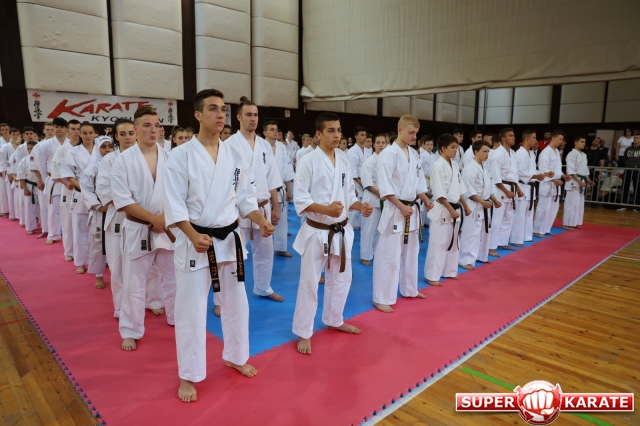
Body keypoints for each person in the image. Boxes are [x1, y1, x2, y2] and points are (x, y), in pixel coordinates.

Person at [164, 88, 274, 402]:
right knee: (192, 309)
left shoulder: (235, 155)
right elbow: (174, 203)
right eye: (213, 108)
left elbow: (245, 199)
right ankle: (189, 375)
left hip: (229, 240)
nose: (220, 114)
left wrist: (260, 220)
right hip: (196, 241)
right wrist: (190, 234)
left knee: (237, 303)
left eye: (223, 109)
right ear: (198, 115)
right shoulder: (181, 155)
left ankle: (236, 356)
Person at [292, 112, 371, 353]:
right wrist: (326, 209)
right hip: (317, 231)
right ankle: (303, 331)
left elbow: (349, 196)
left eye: (339, 130)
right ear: (318, 134)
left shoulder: (343, 160)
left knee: (342, 279)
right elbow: (300, 199)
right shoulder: (308, 161)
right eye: (331, 130)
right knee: (310, 282)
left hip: (341, 230)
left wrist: (359, 206)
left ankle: (334, 319)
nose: (337, 135)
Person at [111, 107, 177, 351]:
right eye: (147, 125)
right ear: (136, 129)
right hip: (139, 228)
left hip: (167, 226)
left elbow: (180, 194)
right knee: (134, 283)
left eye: (157, 125)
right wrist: (153, 219)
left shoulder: (170, 156)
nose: (153, 130)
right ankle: (130, 330)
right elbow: (122, 200)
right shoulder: (123, 160)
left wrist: (164, 219)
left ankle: (177, 317)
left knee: (174, 279)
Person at [225, 97, 284, 302]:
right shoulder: (228, 145)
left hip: (263, 207)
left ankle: (263, 288)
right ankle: (224, 298)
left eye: (256, 115)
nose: (253, 119)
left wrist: (276, 208)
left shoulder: (264, 146)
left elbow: (272, 179)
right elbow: (226, 182)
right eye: (248, 115)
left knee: (265, 253)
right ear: (239, 117)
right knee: (233, 256)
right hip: (238, 209)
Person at [372, 115, 433, 312]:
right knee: (389, 255)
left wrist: (424, 199)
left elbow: (418, 183)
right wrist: (400, 206)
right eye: (411, 133)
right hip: (395, 210)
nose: (415, 136)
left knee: (411, 253)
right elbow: (385, 187)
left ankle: (409, 289)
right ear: (399, 130)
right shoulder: (388, 154)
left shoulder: (414, 154)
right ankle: (381, 297)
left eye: (416, 133)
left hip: (411, 210)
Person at [96, 119, 136, 317]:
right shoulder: (109, 159)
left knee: (148, 263)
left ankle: (152, 299)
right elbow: (103, 188)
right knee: (117, 264)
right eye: (122, 134)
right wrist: (127, 199)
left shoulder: (146, 156)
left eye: (131, 133)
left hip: (144, 217)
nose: (127, 137)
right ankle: (120, 306)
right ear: (116, 137)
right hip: (119, 215)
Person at [424, 134, 471, 285]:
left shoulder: (454, 165)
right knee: (438, 243)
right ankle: (431, 275)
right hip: (443, 209)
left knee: (453, 242)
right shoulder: (438, 166)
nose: (456, 150)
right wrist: (451, 210)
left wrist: (466, 206)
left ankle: (449, 271)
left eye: (456, 147)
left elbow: (459, 188)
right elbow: (439, 193)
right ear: (443, 148)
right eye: (453, 147)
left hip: (454, 207)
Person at [459, 140, 501, 269]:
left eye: (488, 151)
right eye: (484, 151)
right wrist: (483, 202)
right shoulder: (470, 168)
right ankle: (465, 260)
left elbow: (488, 188)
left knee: (483, 232)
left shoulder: (484, 166)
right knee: (471, 233)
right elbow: (469, 191)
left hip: (484, 204)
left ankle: (481, 256)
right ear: (476, 152)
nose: (487, 154)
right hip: (473, 205)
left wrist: (495, 200)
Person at [60, 122, 96, 274]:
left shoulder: (101, 150)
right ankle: (81, 262)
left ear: (95, 134)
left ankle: (100, 260)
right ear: (80, 134)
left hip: (98, 194)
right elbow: (68, 174)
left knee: (97, 229)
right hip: (80, 193)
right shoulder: (73, 152)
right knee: (79, 229)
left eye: (90, 133)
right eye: (85, 133)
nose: (88, 135)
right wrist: (82, 186)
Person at [80, 136, 114, 288]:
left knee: (116, 243)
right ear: (97, 149)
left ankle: (116, 273)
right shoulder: (92, 168)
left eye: (110, 146)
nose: (107, 150)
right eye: (103, 147)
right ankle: (99, 275)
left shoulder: (119, 164)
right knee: (97, 244)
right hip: (100, 210)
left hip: (116, 209)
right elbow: (86, 190)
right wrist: (99, 206)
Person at [511, 130, 552, 246]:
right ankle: (516, 239)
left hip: (530, 188)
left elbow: (533, 171)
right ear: (527, 139)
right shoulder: (519, 153)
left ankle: (527, 236)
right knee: (519, 215)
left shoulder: (532, 154)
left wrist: (544, 174)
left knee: (529, 214)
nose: (535, 140)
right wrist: (536, 176)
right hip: (522, 187)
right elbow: (519, 173)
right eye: (534, 138)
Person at [488, 128, 523, 255]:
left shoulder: (512, 153)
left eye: (514, 135)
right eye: (511, 136)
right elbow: (495, 176)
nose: (514, 137)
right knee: (496, 220)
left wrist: (518, 188)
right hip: (500, 189)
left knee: (508, 218)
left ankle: (502, 242)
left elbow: (514, 175)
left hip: (511, 188)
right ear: (503, 139)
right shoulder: (497, 154)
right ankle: (490, 247)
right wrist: (506, 191)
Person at [263, 121, 295, 258]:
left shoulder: (282, 148)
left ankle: (280, 248)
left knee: (281, 220)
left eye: (276, 129)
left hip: (280, 189)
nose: (275, 132)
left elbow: (287, 168)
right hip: (264, 190)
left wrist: (289, 189)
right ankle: (265, 249)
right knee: (264, 220)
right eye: (272, 129)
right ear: (265, 132)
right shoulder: (260, 146)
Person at [533, 130, 570, 237]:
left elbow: (557, 169)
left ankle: (546, 228)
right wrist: (554, 180)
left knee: (553, 209)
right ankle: (537, 230)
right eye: (560, 139)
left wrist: (563, 176)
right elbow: (543, 170)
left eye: (562, 139)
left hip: (555, 185)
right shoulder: (545, 152)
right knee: (543, 208)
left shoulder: (557, 151)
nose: (561, 141)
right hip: (547, 184)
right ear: (553, 138)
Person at [39, 117, 70, 246]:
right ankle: (53, 234)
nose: (59, 129)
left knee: (69, 209)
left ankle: (68, 234)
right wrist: (45, 179)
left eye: (62, 127)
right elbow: (41, 164)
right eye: (57, 127)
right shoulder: (45, 145)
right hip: (54, 180)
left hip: (70, 180)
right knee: (53, 209)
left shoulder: (72, 143)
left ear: (66, 129)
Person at [360, 134, 387, 266]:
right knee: (368, 229)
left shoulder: (387, 161)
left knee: (380, 230)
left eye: (383, 143)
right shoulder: (369, 161)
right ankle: (365, 255)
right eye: (378, 143)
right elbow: (367, 183)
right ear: (374, 145)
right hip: (371, 199)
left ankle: (376, 252)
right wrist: (380, 194)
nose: (381, 145)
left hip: (385, 200)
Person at [563, 136, 595, 229]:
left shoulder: (584, 155)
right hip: (574, 181)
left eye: (584, 142)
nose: (584, 143)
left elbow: (585, 170)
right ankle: (567, 223)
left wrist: (589, 181)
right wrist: (579, 182)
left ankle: (576, 222)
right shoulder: (571, 154)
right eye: (581, 141)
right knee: (571, 204)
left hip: (582, 181)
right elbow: (571, 170)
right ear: (575, 142)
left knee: (579, 204)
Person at [29, 122, 54, 237]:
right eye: (47, 129)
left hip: (60, 179)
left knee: (58, 207)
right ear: (43, 131)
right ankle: (46, 230)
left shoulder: (62, 143)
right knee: (44, 206)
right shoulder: (38, 146)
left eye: (52, 129)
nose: (50, 131)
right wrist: (39, 180)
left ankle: (58, 230)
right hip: (45, 178)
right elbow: (35, 165)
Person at [346, 126, 372, 230]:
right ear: (356, 137)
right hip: (356, 184)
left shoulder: (368, 151)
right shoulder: (352, 151)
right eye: (362, 135)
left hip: (367, 185)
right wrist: (363, 184)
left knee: (364, 210)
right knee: (353, 213)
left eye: (365, 135)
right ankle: (347, 232)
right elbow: (352, 171)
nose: (364, 137)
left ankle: (359, 228)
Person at [0, 128, 23, 221]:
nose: (15, 136)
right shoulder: (5, 146)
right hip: (9, 172)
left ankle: (19, 214)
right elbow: (2, 160)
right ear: (10, 135)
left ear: (20, 135)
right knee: (10, 195)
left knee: (19, 196)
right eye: (13, 134)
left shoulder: (22, 146)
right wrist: (5, 172)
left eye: (17, 134)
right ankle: (11, 213)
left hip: (20, 172)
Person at [17, 141, 39, 234]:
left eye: (32, 148)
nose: (30, 150)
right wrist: (25, 188)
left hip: (41, 185)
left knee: (43, 207)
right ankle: (30, 227)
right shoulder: (24, 160)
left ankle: (45, 226)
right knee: (29, 207)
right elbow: (21, 175)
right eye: (28, 149)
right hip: (29, 185)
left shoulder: (41, 158)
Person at [618, 134, 640, 209]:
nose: (635, 139)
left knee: (637, 187)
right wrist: (627, 165)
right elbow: (625, 159)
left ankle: (637, 204)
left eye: (637, 138)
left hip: (638, 170)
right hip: (628, 169)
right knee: (625, 186)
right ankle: (623, 203)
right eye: (635, 138)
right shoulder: (628, 149)